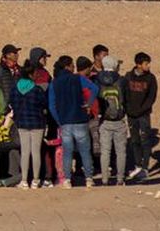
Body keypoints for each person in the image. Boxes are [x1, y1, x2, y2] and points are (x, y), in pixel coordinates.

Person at [48, 54, 94, 188]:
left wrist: (59, 120)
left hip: (65, 121)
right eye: (73, 65)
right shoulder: (77, 78)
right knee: (85, 150)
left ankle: (67, 179)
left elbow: (52, 105)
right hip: (80, 119)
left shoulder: (54, 82)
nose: (74, 67)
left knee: (67, 151)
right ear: (68, 66)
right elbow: (94, 89)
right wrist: (89, 104)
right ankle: (89, 178)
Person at [92, 55, 129, 187]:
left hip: (104, 119)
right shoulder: (122, 80)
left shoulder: (97, 79)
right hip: (119, 120)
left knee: (105, 151)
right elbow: (126, 98)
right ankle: (120, 179)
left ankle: (105, 180)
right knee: (120, 152)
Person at [8, 72, 48, 190]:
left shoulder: (15, 90)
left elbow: (12, 104)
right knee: (36, 152)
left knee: (25, 152)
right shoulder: (37, 90)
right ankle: (35, 181)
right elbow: (44, 104)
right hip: (37, 123)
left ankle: (24, 181)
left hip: (22, 122)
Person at [122, 53, 158, 182]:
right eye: (146, 63)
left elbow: (151, 97)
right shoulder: (128, 77)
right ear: (138, 64)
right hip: (131, 115)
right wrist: (128, 110)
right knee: (135, 140)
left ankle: (145, 167)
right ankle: (137, 165)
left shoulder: (151, 78)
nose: (148, 66)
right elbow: (124, 94)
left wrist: (142, 110)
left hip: (144, 115)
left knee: (146, 140)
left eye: (148, 63)